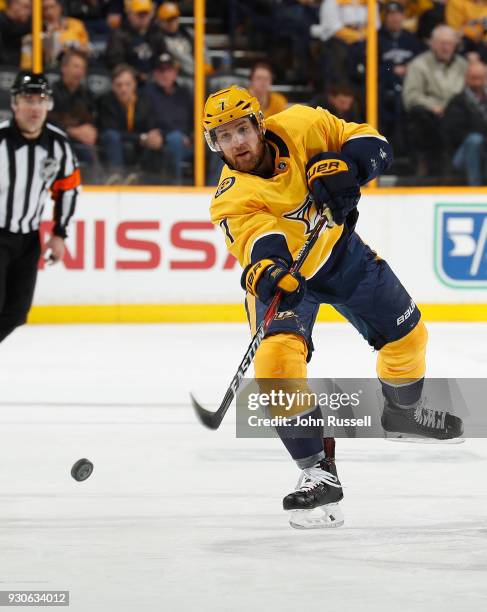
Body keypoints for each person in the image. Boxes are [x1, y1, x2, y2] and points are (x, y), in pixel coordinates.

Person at [203, 85, 462, 529]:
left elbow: (372, 141)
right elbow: (258, 245)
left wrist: (349, 166)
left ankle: (401, 411)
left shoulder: (304, 124)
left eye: (242, 130)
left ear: (259, 125)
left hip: (341, 257)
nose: (237, 144)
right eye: (223, 137)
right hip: (287, 281)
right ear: (214, 145)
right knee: (275, 364)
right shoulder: (231, 197)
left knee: (409, 335)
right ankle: (317, 472)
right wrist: (269, 272)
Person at [0, 71, 80, 344]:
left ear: (48, 105)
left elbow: (68, 188)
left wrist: (59, 233)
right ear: (14, 104)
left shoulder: (57, 144)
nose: (35, 107)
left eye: (40, 100)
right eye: (28, 99)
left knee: (16, 312)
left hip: (28, 240)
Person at [402, 25, 467, 176]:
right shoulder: (419, 64)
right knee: (420, 115)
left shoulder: (463, 65)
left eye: (449, 43)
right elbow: (410, 96)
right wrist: (433, 106)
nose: (446, 47)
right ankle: (428, 169)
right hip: (431, 117)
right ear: (432, 44)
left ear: (455, 45)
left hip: (457, 116)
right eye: (441, 43)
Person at [97, 64, 162, 182]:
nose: (123, 89)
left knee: (156, 141)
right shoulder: (106, 102)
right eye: (119, 85)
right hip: (116, 145)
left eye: (127, 84)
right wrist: (141, 137)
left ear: (134, 85)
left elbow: (152, 126)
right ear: (112, 86)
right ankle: (115, 177)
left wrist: (153, 136)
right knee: (111, 136)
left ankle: (144, 179)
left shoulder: (144, 102)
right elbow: (111, 130)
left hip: (140, 147)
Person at [144, 53, 192, 184]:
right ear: (155, 74)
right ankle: (175, 187)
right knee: (174, 139)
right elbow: (147, 121)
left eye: (168, 70)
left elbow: (195, 120)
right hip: (160, 142)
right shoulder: (148, 93)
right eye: (161, 71)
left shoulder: (185, 93)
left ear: (175, 73)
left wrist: (191, 137)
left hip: (187, 143)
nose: (165, 75)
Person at [48, 49, 98, 167]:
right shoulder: (51, 92)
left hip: (83, 141)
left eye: (82, 68)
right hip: (58, 139)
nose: (79, 71)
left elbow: (93, 118)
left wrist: (92, 130)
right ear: (64, 68)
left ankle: (102, 181)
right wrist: (71, 131)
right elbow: (48, 120)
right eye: (76, 66)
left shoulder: (87, 94)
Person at [444, 61, 487, 186]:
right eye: (473, 78)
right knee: (474, 140)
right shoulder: (457, 102)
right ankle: (475, 187)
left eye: (480, 78)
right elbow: (454, 133)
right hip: (462, 153)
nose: (477, 82)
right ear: (466, 79)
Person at [106, 0, 167, 82]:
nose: (143, 18)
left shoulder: (156, 32)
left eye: (146, 14)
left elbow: (164, 55)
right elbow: (116, 63)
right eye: (139, 14)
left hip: (155, 80)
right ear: (129, 14)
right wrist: (137, 75)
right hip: (130, 81)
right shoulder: (119, 35)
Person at [0, 0, 31, 67]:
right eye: (26, 7)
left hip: (13, 70)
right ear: (14, 5)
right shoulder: (2, 21)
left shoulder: (20, 24)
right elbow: (14, 30)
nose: (29, 12)